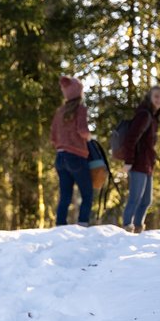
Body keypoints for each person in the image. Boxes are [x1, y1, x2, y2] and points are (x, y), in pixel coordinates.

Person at [50, 76, 93, 227]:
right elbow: (82, 130)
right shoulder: (80, 109)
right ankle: (82, 224)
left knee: (65, 196)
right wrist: (89, 137)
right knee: (87, 193)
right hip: (76, 157)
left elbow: (53, 137)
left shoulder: (59, 112)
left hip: (60, 157)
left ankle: (60, 225)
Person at [120, 86, 160, 233]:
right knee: (135, 198)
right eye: (156, 96)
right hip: (138, 163)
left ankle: (138, 228)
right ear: (149, 98)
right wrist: (128, 161)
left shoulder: (153, 117)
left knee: (146, 201)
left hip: (147, 164)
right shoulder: (144, 115)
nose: (159, 99)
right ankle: (127, 226)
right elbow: (131, 138)